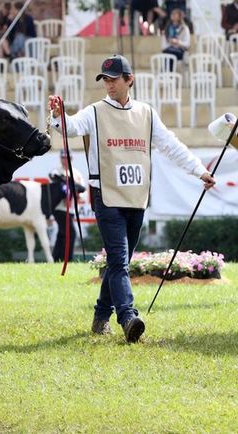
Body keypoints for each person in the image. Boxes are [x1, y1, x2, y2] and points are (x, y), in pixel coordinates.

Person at [47, 54, 215, 343]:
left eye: (114, 79)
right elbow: (70, 127)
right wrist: (56, 115)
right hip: (106, 196)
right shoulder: (95, 112)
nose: (109, 85)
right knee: (119, 260)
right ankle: (127, 317)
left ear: (129, 80)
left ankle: (101, 316)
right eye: (105, 80)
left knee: (118, 261)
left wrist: (200, 171)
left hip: (137, 197)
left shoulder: (147, 113)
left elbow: (171, 146)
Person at [49, 149, 86, 262]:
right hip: (59, 208)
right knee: (71, 233)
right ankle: (67, 259)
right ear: (60, 159)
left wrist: (79, 197)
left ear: (71, 159)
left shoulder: (77, 173)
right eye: (63, 158)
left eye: (67, 158)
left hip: (71, 209)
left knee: (62, 234)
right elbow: (52, 191)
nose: (65, 160)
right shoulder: (56, 172)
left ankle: (56, 259)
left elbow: (83, 192)